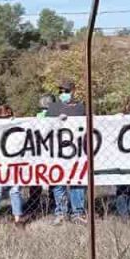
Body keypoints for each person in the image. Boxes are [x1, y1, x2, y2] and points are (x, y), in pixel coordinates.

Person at [46, 79, 86, 224]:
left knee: (77, 182)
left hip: (76, 151)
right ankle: (61, 212)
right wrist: (56, 121)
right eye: (60, 91)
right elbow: (45, 127)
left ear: (73, 91)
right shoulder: (53, 107)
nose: (63, 94)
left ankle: (78, 213)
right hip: (57, 151)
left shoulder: (81, 107)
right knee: (58, 182)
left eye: (66, 91)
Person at [0, 104, 24, 227]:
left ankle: (18, 218)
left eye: (7, 118)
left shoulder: (17, 128)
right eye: (1, 119)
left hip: (15, 165)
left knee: (15, 190)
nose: (4, 121)